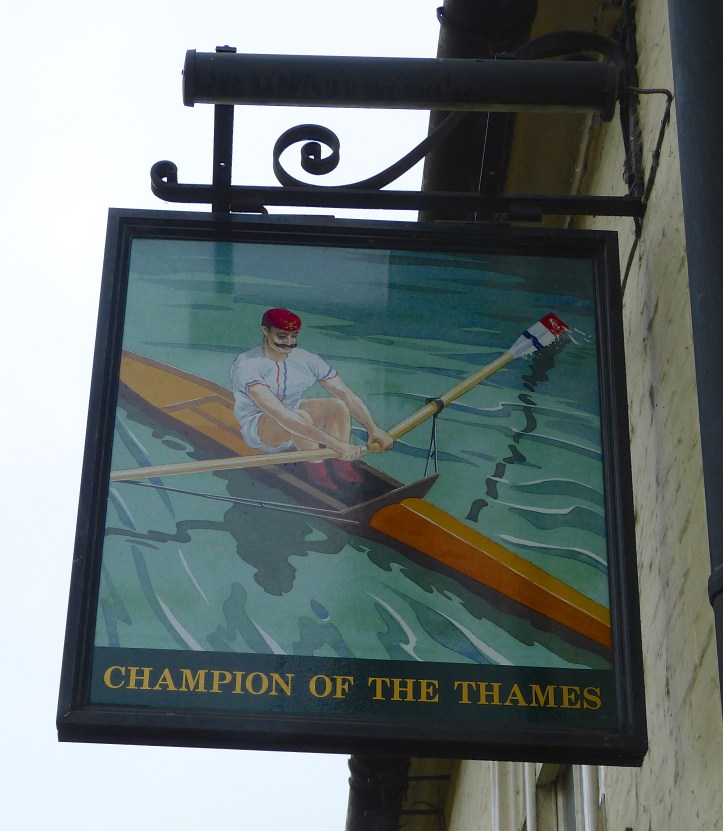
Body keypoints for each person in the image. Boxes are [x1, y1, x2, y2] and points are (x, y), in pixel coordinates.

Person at [230, 307, 394, 490]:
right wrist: (337, 444)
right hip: (261, 429)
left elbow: (344, 393)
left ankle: (342, 464)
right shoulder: (247, 365)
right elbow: (282, 415)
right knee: (300, 415)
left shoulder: (307, 359)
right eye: (282, 336)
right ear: (265, 331)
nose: (290, 343)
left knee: (337, 406)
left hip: (296, 418)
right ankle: (318, 473)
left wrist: (372, 428)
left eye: (294, 336)